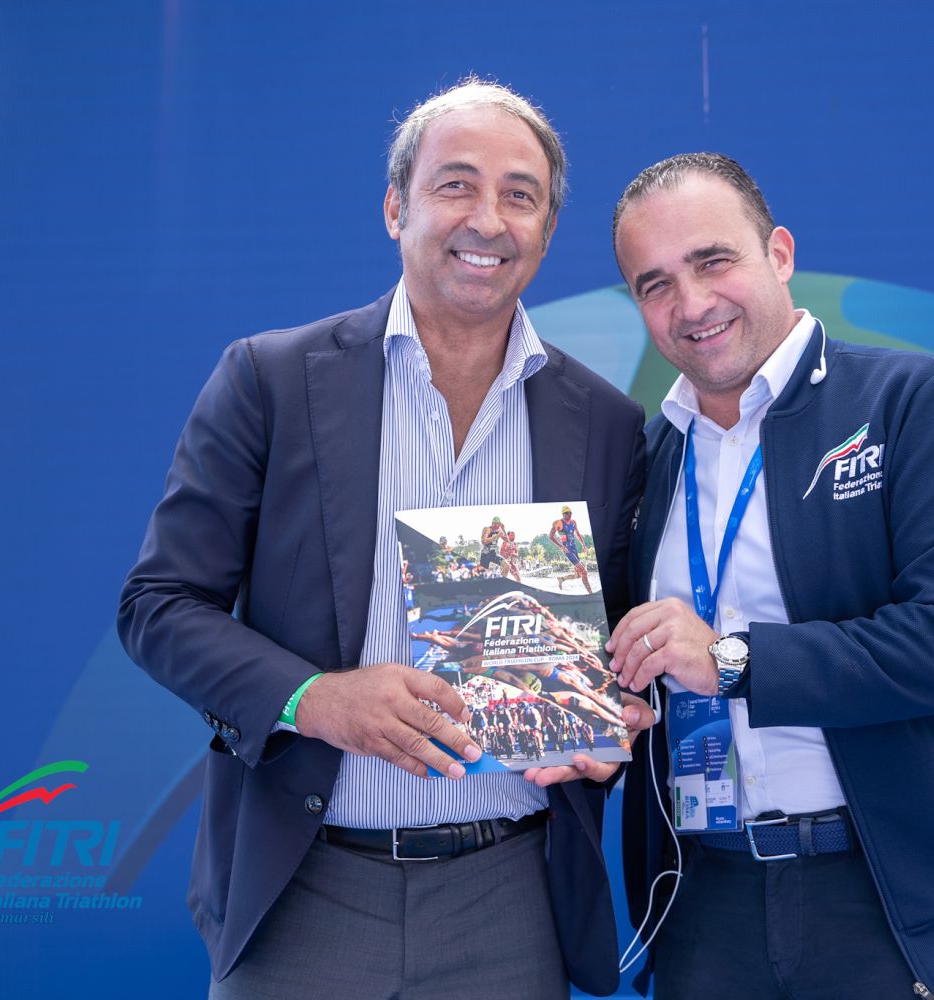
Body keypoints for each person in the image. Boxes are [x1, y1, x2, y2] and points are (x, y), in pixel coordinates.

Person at [117, 78, 649, 999]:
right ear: (396, 207)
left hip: (510, 896)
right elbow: (158, 606)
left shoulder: (604, 422)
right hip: (307, 886)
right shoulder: (271, 380)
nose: (488, 220)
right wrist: (314, 699)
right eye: (456, 185)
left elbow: (619, 648)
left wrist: (617, 719)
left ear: (546, 230)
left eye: (520, 195)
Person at [605, 152, 934, 999]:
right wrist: (589, 718)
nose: (691, 304)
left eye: (713, 261)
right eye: (655, 285)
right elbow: (631, 664)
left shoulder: (915, 404)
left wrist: (731, 661)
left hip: (893, 900)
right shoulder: (647, 459)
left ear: (779, 254)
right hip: (704, 905)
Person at [549, 503, 593, 592]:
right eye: (566, 513)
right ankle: (591, 593)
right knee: (584, 572)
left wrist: (583, 545)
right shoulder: (558, 523)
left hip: (574, 549)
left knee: (578, 575)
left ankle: (562, 579)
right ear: (563, 514)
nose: (569, 514)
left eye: (570, 513)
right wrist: (561, 546)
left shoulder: (573, 522)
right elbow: (550, 536)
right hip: (567, 550)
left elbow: (577, 534)